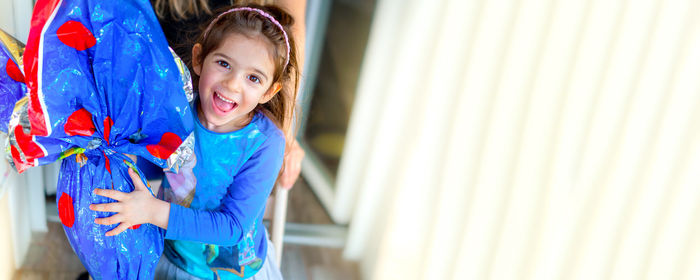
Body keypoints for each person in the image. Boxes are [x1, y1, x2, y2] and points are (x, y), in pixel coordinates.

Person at [89, 4, 300, 279]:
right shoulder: (178, 110)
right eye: (224, 63)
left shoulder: (265, 143)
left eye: (253, 78)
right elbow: (149, 160)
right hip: (168, 256)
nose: (233, 84)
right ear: (199, 58)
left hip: (230, 274)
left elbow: (232, 227)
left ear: (269, 91)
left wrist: (152, 211)